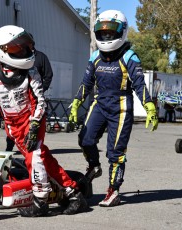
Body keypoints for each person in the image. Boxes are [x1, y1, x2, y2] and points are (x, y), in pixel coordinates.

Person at [0, 25, 87, 217]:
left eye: (24, 47)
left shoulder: (32, 73)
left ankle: (40, 202)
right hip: (13, 126)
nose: (23, 51)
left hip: (32, 121)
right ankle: (73, 192)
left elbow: (40, 102)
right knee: (43, 158)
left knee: (34, 157)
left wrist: (35, 124)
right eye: (16, 48)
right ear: (2, 50)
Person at [68, 10, 159, 207]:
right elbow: (86, 82)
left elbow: (139, 84)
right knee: (85, 139)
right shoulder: (95, 56)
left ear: (122, 31)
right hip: (99, 103)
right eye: (103, 32)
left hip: (121, 107)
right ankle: (94, 165)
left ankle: (113, 190)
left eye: (111, 32)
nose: (107, 36)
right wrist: (76, 102)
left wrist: (149, 106)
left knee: (115, 152)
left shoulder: (129, 56)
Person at [5, 33, 53, 151]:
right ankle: (9, 147)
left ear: (31, 43)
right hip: (18, 97)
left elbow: (48, 75)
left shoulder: (41, 57)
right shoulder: (17, 55)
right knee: (14, 123)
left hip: (34, 98)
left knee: (34, 124)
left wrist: (41, 90)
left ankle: (34, 148)